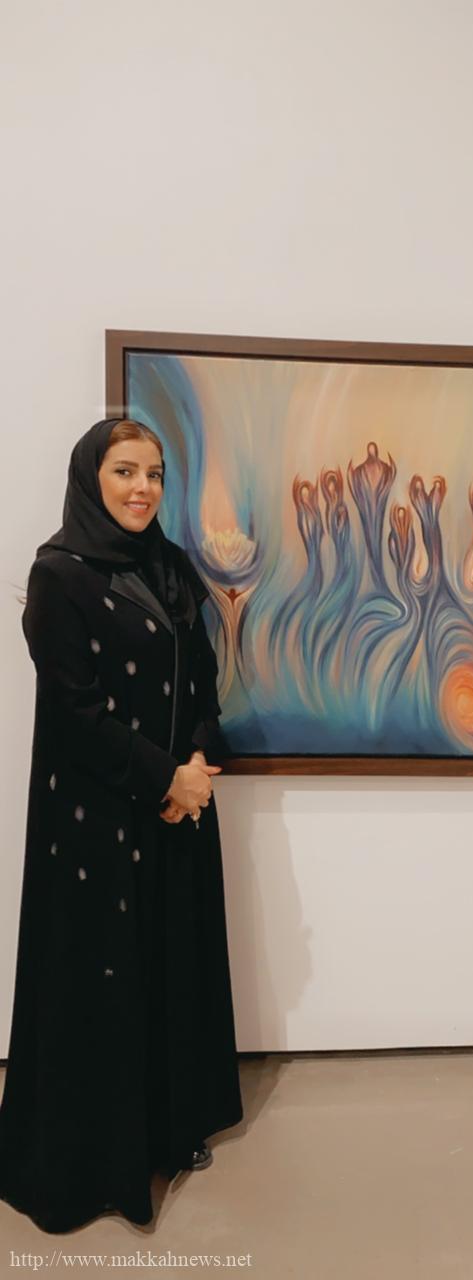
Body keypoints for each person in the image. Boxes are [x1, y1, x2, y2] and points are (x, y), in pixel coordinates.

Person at [0, 417, 243, 1233]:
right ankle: (99, 1157)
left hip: (177, 812)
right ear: (90, 480)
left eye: (155, 474)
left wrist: (196, 765)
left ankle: (170, 1126)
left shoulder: (169, 567)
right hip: (97, 819)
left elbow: (205, 679)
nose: (143, 488)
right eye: (125, 472)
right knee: (103, 977)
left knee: (170, 967)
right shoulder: (58, 576)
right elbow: (75, 712)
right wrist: (164, 777)